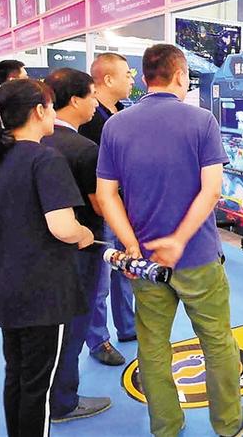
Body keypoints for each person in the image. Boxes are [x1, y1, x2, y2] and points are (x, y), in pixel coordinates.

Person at [96, 44, 243, 437]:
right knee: (217, 341)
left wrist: (131, 245)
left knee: (152, 345)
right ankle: (228, 423)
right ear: (181, 75)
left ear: (145, 77)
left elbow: (106, 194)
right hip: (198, 255)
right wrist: (180, 240)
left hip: (145, 261)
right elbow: (212, 191)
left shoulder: (115, 125)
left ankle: (165, 426)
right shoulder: (202, 121)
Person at [0, 79, 94, 436]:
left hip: (6, 283)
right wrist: (84, 233)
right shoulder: (45, 159)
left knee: (16, 375)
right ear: (39, 111)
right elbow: (62, 227)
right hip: (42, 292)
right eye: (51, 106)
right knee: (38, 388)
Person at [41, 68, 112, 422]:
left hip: (43, 252)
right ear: (74, 100)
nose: (95, 103)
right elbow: (100, 205)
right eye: (91, 95)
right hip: (81, 249)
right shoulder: (84, 149)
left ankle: (51, 394)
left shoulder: (35, 141)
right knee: (74, 326)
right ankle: (64, 401)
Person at [79, 52, 136, 366]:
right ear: (109, 79)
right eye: (127, 74)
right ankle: (98, 340)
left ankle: (127, 326)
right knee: (100, 278)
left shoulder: (123, 113)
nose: (132, 80)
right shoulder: (90, 120)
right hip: (101, 209)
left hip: (125, 205)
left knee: (126, 269)